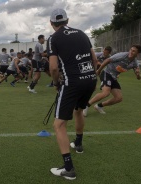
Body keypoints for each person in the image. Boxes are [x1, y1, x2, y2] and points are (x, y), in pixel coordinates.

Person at [48, 9, 97, 180]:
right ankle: (78, 143)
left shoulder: (53, 38)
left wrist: (56, 83)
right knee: (79, 110)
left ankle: (68, 168)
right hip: (90, 79)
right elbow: (94, 60)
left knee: (59, 125)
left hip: (72, 82)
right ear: (67, 20)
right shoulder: (82, 33)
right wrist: (90, 76)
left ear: (51, 23)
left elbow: (53, 67)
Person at [83, 45, 141, 116]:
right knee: (106, 93)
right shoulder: (122, 55)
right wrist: (99, 70)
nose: (131, 52)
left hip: (114, 77)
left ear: (137, 54)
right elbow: (108, 60)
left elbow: (138, 77)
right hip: (106, 73)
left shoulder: (135, 63)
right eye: (131, 50)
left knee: (119, 98)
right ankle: (86, 105)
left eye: (133, 51)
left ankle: (99, 106)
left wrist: (138, 74)